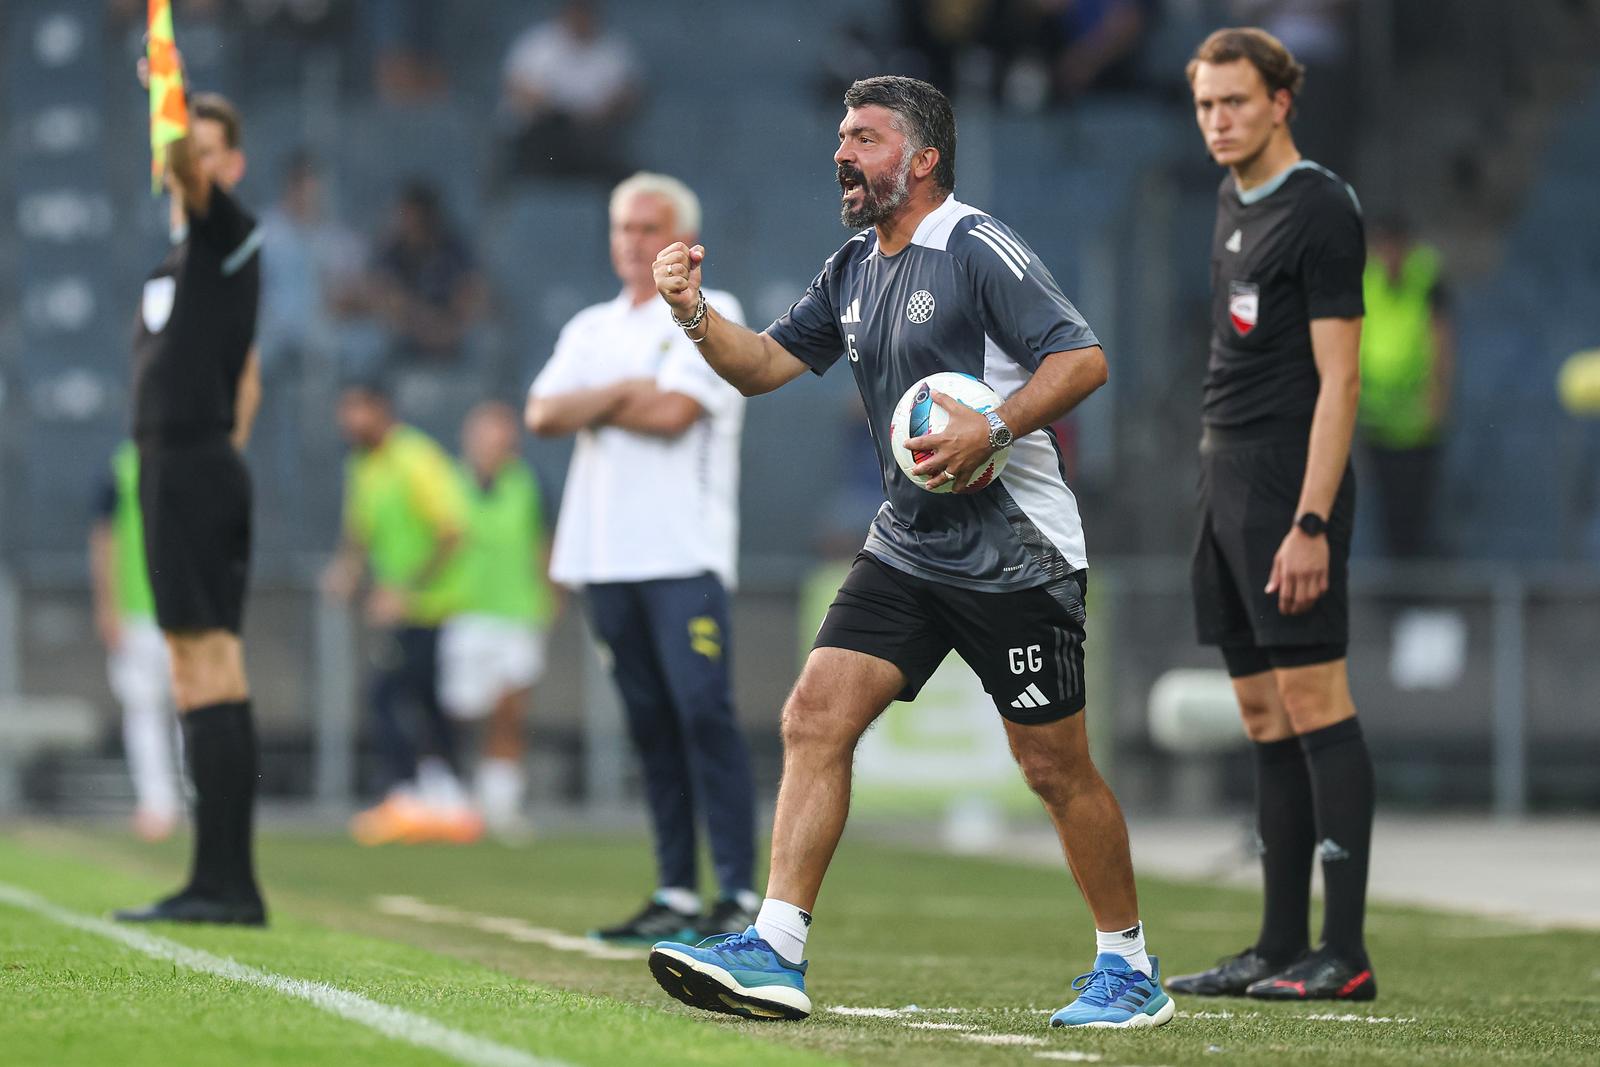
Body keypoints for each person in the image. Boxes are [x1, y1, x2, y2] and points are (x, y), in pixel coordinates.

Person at [645, 76, 1171, 1029]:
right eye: (840, 138)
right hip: (909, 545)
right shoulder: (852, 266)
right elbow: (763, 367)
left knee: (1054, 767)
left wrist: (994, 428)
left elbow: (1082, 359)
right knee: (813, 715)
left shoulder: (976, 247)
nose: (842, 153)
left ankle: (1128, 965)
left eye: (866, 138)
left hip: (1018, 552)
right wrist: (691, 314)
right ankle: (776, 947)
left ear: (923, 159)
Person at [1168, 28, 1375, 1001]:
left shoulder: (1322, 208)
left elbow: (1341, 381)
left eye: (1235, 103)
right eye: (1207, 105)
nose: (1218, 121)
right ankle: (1277, 943)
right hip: (1223, 484)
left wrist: (1311, 521)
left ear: (1279, 101)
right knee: (1258, 710)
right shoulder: (1225, 196)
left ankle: (1345, 952)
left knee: (1314, 703)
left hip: (1289, 490)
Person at [525, 172, 757, 944]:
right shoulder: (591, 327)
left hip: (681, 555)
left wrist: (605, 399)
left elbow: (671, 413)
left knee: (703, 713)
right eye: (623, 227)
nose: (632, 242)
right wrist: (624, 387)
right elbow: (542, 412)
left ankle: (737, 891)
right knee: (651, 724)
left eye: (649, 228)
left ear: (682, 242)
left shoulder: (710, 318)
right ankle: (674, 891)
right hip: (604, 555)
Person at [113, 85, 267, 926]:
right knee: (196, 666)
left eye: (209, 151)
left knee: (205, 661)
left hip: (195, 466)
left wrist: (164, 87)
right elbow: (244, 370)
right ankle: (222, 878)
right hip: (173, 469)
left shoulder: (229, 236)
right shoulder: (173, 264)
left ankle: (224, 882)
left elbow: (184, 173)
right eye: (185, 148)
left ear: (231, 165)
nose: (191, 163)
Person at [322, 381, 480, 845]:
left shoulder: (415, 457)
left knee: (392, 697)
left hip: (436, 606)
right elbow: (359, 532)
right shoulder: (363, 465)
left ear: (381, 410)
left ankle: (412, 794)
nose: (349, 422)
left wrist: (404, 590)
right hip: (405, 612)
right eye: (344, 411)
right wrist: (347, 571)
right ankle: (442, 796)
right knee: (413, 697)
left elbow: (451, 532)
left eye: (358, 410)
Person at [440, 401, 558, 840]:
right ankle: (454, 796)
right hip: (462, 612)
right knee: (459, 710)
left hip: (517, 613)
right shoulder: (446, 482)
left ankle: (502, 805)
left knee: (509, 713)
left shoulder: (529, 483)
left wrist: (549, 597)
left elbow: (543, 544)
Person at [90, 441, 181, 843]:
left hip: (186, 609)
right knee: (144, 709)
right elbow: (103, 538)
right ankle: (157, 803)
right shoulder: (121, 466)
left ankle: (189, 799)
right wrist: (107, 604)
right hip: (138, 611)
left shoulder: (193, 459)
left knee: (190, 710)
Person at [1357, 216, 1453, 559]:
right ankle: (1393, 594)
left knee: (1417, 513)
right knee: (1386, 515)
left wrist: (1437, 398)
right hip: (1376, 419)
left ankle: (1414, 589)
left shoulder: (1426, 278)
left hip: (1418, 423)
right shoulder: (1366, 281)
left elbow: (1441, 339)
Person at [497, 0, 638, 182]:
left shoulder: (613, 50)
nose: (580, 19)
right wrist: (561, 109)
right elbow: (519, 89)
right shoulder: (537, 44)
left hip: (591, 133)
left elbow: (627, 95)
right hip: (539, 133)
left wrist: (600, 112)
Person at [369, 182, 486, 367]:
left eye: (415, 219)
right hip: (406, 342)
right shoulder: (391, 252)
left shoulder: (455, 251)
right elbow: (386, 295)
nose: (409, 225)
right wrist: (425, 325)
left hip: (454, 342)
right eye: (404, 217)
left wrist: (448, 329)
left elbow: (472, 294)